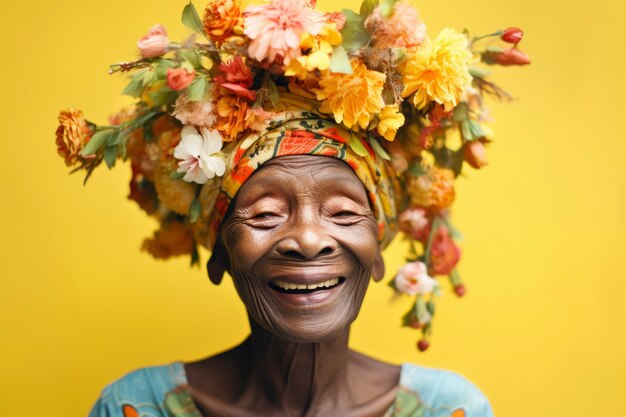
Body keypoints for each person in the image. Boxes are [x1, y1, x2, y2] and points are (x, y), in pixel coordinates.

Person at [54, 0, 529, 415]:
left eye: (343, 213)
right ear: (219, 250)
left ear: (378, 248)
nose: (307, 240)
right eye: (264, 215)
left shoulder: (449, 410)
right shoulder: (134, 408)